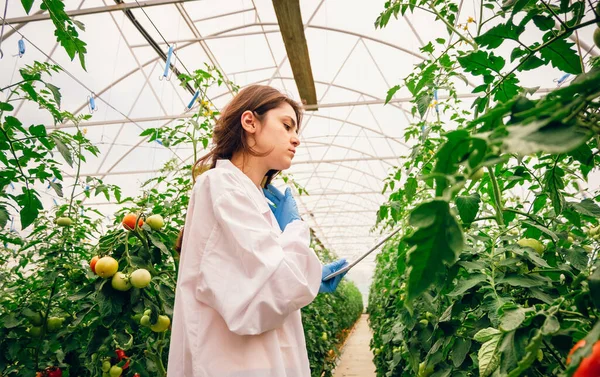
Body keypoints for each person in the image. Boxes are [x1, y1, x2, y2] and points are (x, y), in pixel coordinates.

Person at [167, 85, 349, 377]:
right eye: (286, 125)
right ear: (250, 122)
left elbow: (264, 282)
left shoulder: (246, 194)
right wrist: (293, 230)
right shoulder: (221, 186)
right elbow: (260, 299)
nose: (296, 139)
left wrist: (309, 277)